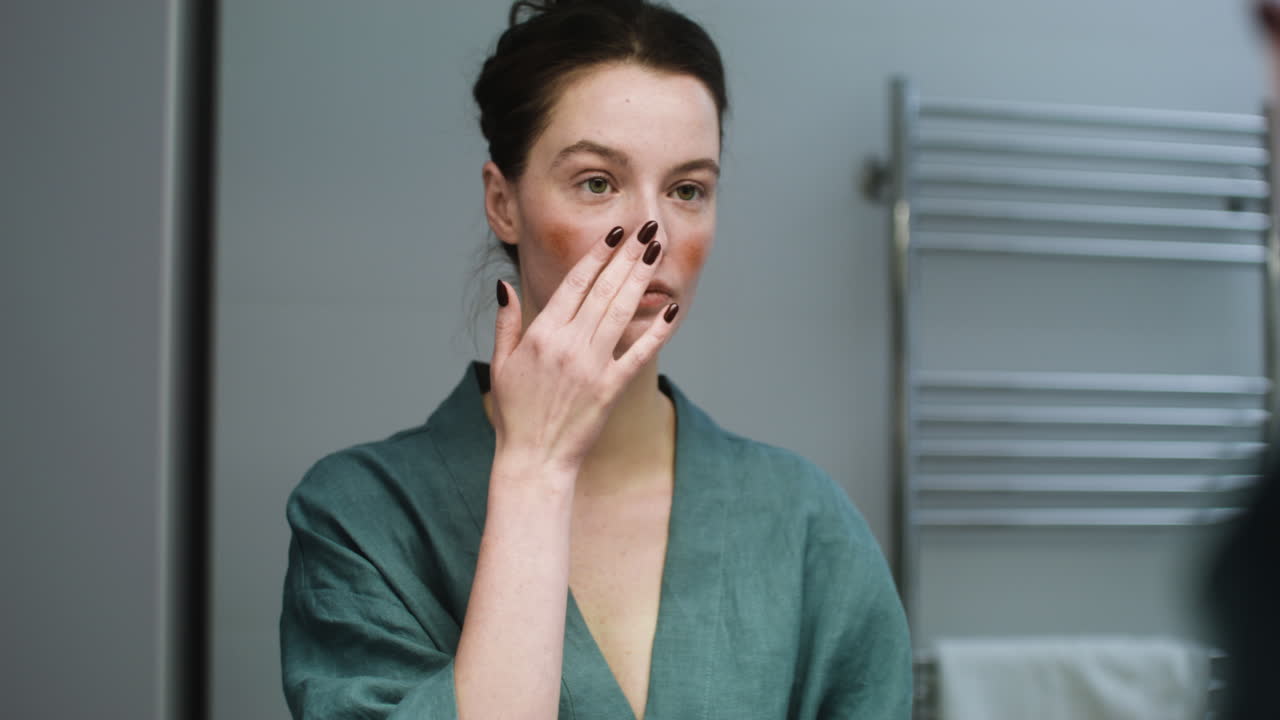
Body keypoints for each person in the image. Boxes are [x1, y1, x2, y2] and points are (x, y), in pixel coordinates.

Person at [278, 1, 912, 718]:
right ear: (503, 202)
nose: (653, 231)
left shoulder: (806, 522)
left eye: (687, 190)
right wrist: (536, 470)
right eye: (597, 182)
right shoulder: (361, 517)